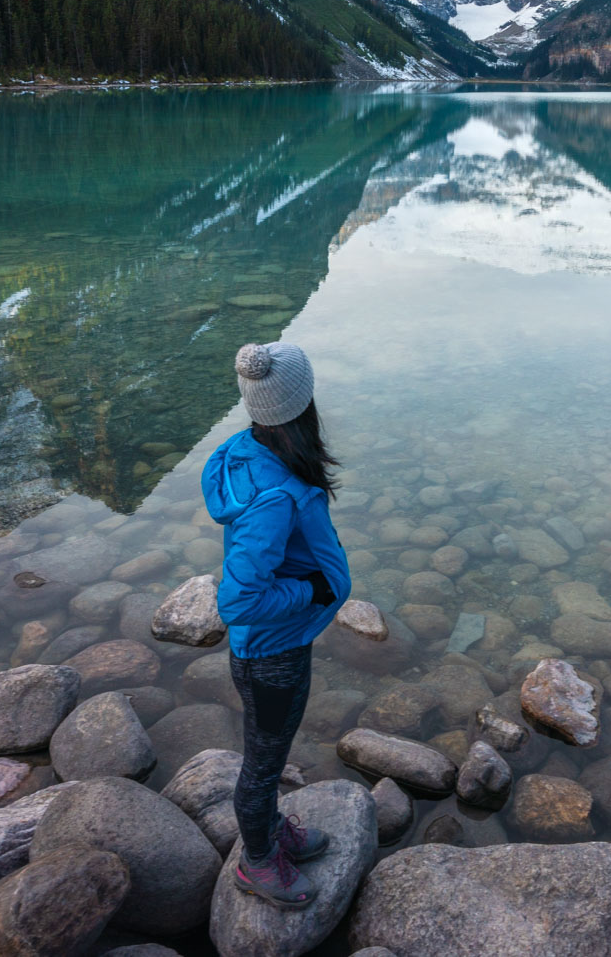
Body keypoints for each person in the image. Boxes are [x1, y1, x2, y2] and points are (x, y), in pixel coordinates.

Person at [202, 337, 351, 908]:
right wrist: (311, 588)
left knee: (270, 751)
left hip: (275, 647)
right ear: (301, 402)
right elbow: (238, 601)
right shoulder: (274, 497)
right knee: (264, 763)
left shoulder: (252, 451)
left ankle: (269, 830)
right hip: (273, 657)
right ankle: (258, 860)